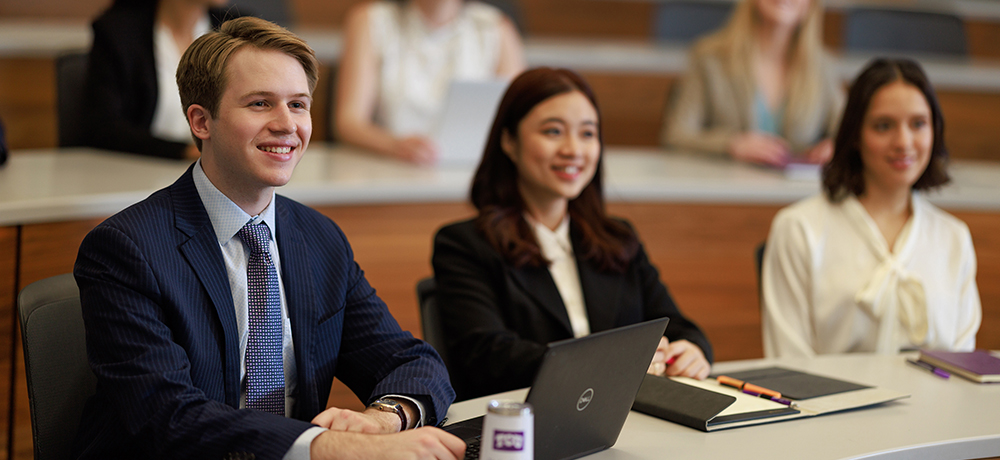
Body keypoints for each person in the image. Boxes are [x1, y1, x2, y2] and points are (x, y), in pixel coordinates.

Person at [73, 17, 464, 459]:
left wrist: (385, 418)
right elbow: (166, 417)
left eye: (298, 105)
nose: (287, 125)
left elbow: (412, 362)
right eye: (260, 104)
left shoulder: (320, 239)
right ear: (201, 121)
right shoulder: (125, 249)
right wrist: (331, 447)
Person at [432, 67, 714, 401]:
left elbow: (675, 325)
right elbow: (489, 357)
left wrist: (691, 350)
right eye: (553, 132)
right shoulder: (465, 244)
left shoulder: (617, 237)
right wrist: (608, 363)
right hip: (528, 423)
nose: (573, 149)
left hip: (628, 416)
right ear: (509, 141)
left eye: (587, 133)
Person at [761, 58, 982, 358]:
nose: (904, 142)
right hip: (829, 406)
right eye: (883, 126)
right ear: (855, 136)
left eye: (918, 124)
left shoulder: (953, 237)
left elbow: (961, 366)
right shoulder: (799, 229)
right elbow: (790, 363)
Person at [335, 0, 525, 164]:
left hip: (469, 172)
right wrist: (394, 146)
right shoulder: (370, 21)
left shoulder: (496, 28)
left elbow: (517, 120)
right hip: (386, 167)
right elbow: (349, 123)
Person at [662, 0, 843, 167]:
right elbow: (677, 135)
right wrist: (731, 144)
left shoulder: (823, 68)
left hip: (797, 194)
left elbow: (849, 130)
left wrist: (835, 146)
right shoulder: (709, 59)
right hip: (728, 189)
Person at [82, 0, 238, 160]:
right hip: (144, 171)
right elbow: (102, 129)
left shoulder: (237, 30)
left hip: (224, 174)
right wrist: (186, 151)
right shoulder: (119, 32)